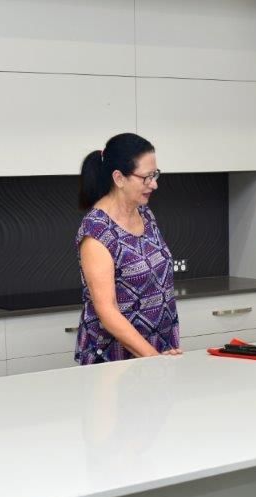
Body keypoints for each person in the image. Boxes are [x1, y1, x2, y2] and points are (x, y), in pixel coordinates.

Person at [74, 133, 181, 365]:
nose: (154, 184)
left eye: (155, 174)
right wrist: (153, 358)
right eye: (146, 177)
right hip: (114, 360)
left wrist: (161, 355)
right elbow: (107, 311)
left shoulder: (144, 212)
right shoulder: (97, 232)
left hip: (158, 351)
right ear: (119, 178)